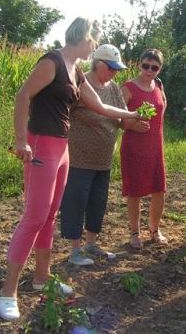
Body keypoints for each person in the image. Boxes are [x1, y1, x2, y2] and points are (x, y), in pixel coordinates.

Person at [0, 17, 141, 321]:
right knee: (34, 216)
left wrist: (133, 113)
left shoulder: (75, 71)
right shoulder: (52, 62)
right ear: (84, 37)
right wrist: (21, 140)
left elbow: (100, 106)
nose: (94, 47)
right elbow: (23, 96)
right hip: (40, 144)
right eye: (93, 41)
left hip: (62, 148)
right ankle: (7, 290)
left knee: (49, 215)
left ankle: (41, 278)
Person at [60, 44, 134, 266]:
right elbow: (65, 115)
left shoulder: (113, 88)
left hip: (103, 160)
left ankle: (91, 244)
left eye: (117, 69)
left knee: (97, 202)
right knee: (76, 201)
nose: (114, 72)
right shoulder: (81, 84)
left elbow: (121, 120)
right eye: (111, 68)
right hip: (79, 157)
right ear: (98, 63)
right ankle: (75, 251)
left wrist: (136, 122)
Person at [120, 49, 168, 249]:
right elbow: (117, 118)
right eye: (146, 65)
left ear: (159, 69)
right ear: (139, 64)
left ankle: (155, 229)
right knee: (135, 191)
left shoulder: (158, 85)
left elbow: (162, 108)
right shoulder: (128, 87)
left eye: (154, 67)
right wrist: (130, 124)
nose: (149, 70)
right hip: (134, 147)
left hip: (155, 146)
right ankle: (134, 232)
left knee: (159, 189)